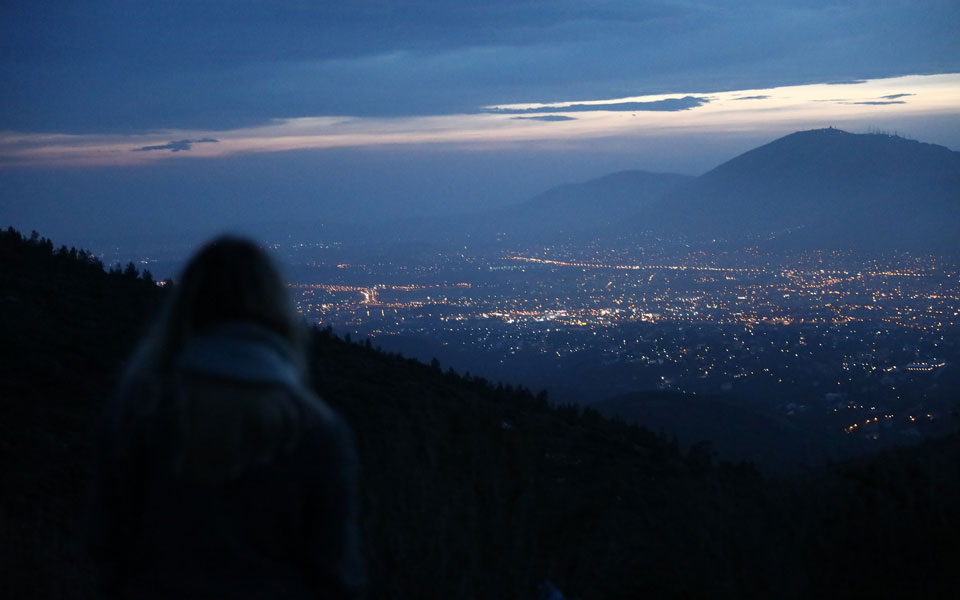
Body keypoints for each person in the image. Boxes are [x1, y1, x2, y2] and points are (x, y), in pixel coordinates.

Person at [88, 236, 365, 599]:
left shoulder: (139, 413)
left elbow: (107, 550)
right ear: (277, 308)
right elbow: (335, 572)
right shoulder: (314, 429)